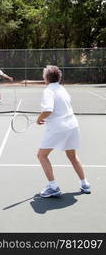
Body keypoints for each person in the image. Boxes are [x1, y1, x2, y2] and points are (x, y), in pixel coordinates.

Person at [36, 65, 91, 197]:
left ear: (47, 78)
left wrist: (39, 119)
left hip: (58, 128)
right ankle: (85, 184)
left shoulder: (48, 91)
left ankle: (53, 187)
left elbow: (48, 110)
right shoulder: (62, 89)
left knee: (41, 156)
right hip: (72, 125)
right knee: (72, 156)